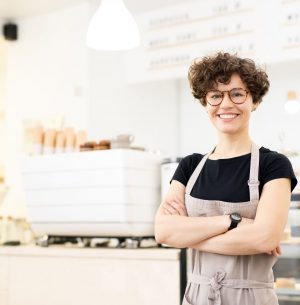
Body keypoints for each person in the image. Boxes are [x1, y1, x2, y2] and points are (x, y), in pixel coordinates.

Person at [154, 52, 298, 305]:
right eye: (215, 95)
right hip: (197, 296)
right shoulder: (189, 166)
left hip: (252, 298)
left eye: (238, 94)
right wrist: (233, 222)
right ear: (205, 103)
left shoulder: (273, 165)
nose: (226, 104)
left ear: (254, 100)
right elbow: (164, 232)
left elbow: (265, 238)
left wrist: (191, 237)